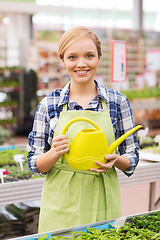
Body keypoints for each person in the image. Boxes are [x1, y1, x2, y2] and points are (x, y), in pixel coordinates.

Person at [27, 26, 139, 233]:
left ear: (99, 58)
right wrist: (54, 153)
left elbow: (132, 157)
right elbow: (35, 164)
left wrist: (117, 160)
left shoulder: (117, 102)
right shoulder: (48, 105)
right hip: (60, 202)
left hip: (103, 198)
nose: (81, 63)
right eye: (72, 57)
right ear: (62, 60)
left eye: (89, 55)